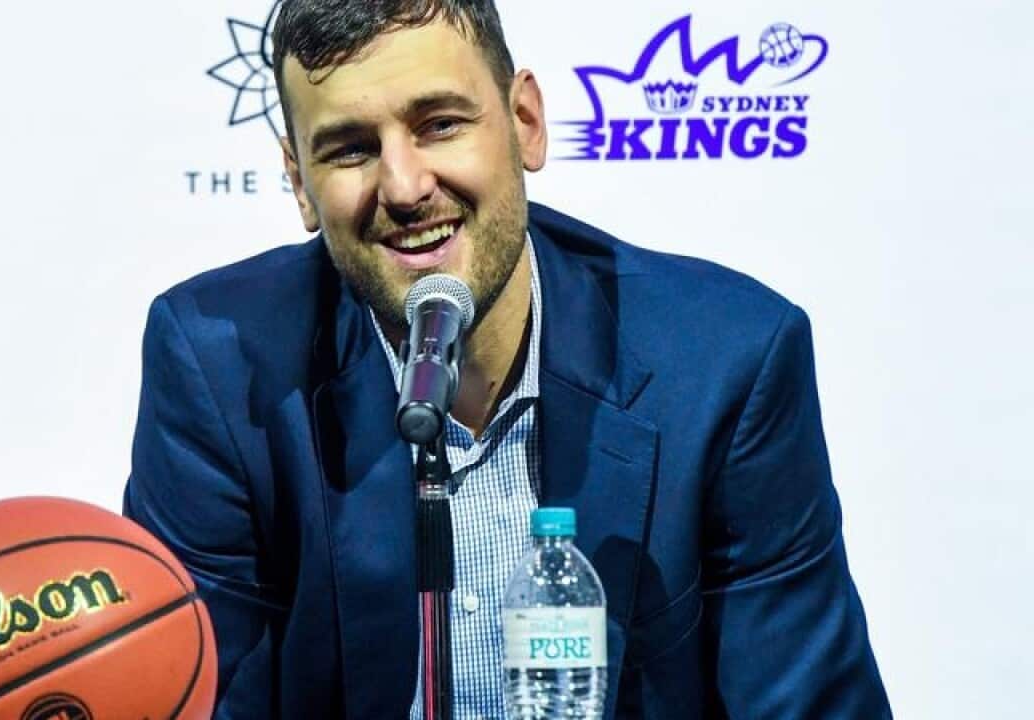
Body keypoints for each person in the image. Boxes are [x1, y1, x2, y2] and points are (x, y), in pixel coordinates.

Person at [124, 1, 892, 717]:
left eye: (439, 124)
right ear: (299, 182)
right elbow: (199, 699)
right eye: (351, 148)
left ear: (525, 122)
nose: (405, 187)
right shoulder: (220, 369)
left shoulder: (724, 362)